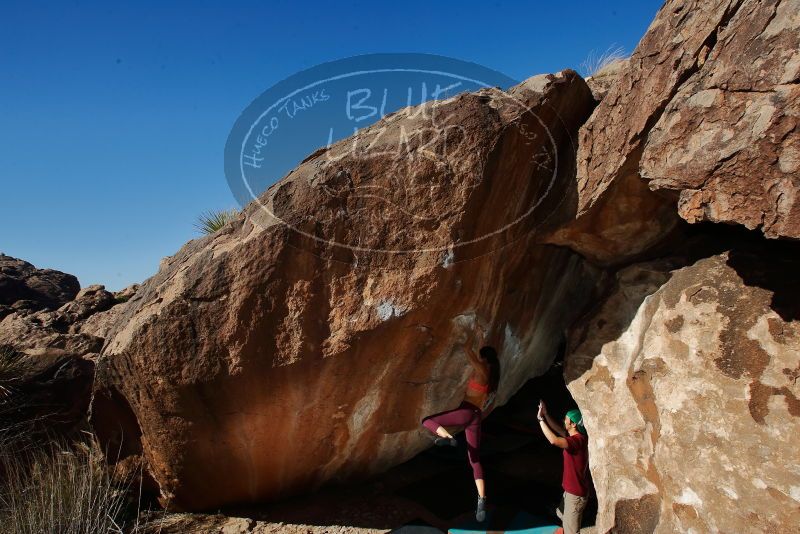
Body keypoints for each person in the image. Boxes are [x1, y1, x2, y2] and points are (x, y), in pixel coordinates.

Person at [421, 329, 501, 523]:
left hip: (467, 411)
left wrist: (471, 337)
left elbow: (468, 352)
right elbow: (478, 356)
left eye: (482, 358)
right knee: (474, 459)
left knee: (428, 421)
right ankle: (481, 499)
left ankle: (448, 439)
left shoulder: (482, 370)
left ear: (484, 359)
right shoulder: (492, 375)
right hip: (476, 416)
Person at [537, 401, 589, 534]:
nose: (563, 420)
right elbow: (558, 430)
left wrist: (540, 420)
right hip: (571, 491)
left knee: (571, 531)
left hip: (575, 495)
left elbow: (554, 440)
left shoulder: (576, 442)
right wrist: (546, 414)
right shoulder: (577, 437)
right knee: (560, 514)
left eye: (566, 419)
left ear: (573, 424)